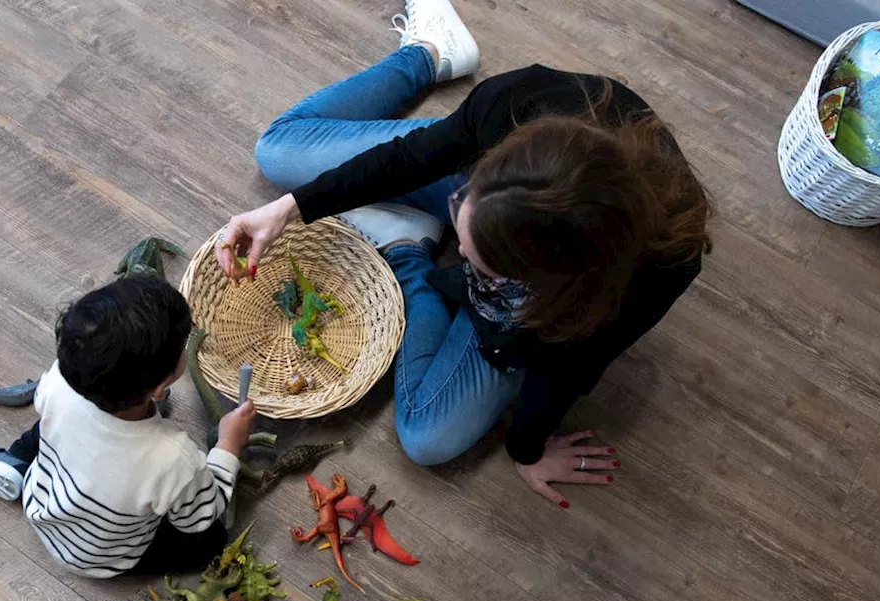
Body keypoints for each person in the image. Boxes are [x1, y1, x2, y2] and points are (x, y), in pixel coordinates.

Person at [217, 0, 710, 508]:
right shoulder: (515, 103)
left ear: (538, 280)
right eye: (460, 213)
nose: (463, 255)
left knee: (428, 438)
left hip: (546, 290)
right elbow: (415, 157)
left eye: (478, 264)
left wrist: (527, 448)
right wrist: (292, 208)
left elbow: (568, 370)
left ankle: (407, 250)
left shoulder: (646, 274)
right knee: (277, 152)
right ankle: (430, 53)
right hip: (495, 188)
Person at [0, 276, 257, 577]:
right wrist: (228, 445)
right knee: (212, 540)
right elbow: (203, 512)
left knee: (50, 423)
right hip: (105, 557)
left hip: (45, 505)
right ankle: (21, 467)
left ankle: (16, 462)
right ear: (158, 388)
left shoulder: (58, 382)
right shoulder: (174, 457)